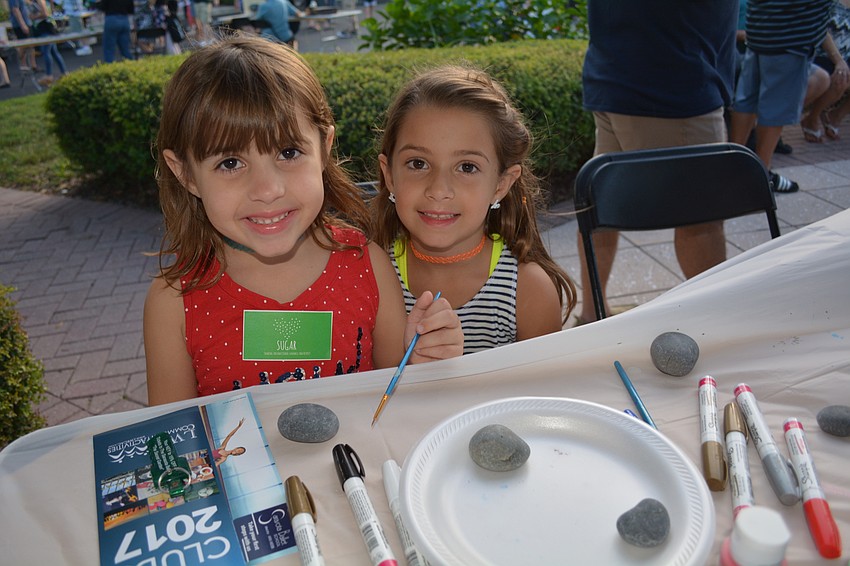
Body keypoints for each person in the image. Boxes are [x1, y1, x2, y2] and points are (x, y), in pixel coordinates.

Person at [144, 36, 462, 405]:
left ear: (324, 148)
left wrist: (423, 362)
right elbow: (175, 437)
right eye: (230, 163)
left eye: (289, 152)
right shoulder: (173, 304)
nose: (267, 189)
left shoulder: (368, 266)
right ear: (185, 174)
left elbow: (397, 398)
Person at [371, 66, 577, 354]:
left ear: (501, 184)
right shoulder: (369, 277)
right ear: (389, 175)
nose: (439, 189)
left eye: (467, 167)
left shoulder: (528, 291)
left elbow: (539, 396)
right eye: (418, 163)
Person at [578, 0, 736, 324]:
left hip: (617, 72)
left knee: (601, 205)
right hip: (673, 83)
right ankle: (713, 323)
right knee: (701, 220)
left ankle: (593, 314)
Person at [729, 0, 841, 193]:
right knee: (774, 110)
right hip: (790, 36)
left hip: (760, 30)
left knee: (747, 101)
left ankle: (732, 169)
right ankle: (760, 178)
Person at [801, 0, 850, 141]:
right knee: (843, 76)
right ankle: (812, 118)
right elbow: (820, 30)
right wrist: (839, 60)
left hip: (847, 55)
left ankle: (835, 116)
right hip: (823, 54)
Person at [28, 0, 68, 87]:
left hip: (46, 28)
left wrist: (33, 17)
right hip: (45, 28)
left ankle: (49, 75)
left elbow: (45, 14)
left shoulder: (40, 1)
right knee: (54, 52)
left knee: (46, 51)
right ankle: (64, 72)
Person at [8, 0, 38, 72]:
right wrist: (23, 25)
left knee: (31, 44)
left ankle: (33, 65)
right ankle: (23, 65)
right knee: (23, 45)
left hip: (28, 22)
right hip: (19, 25)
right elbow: (15, 10)